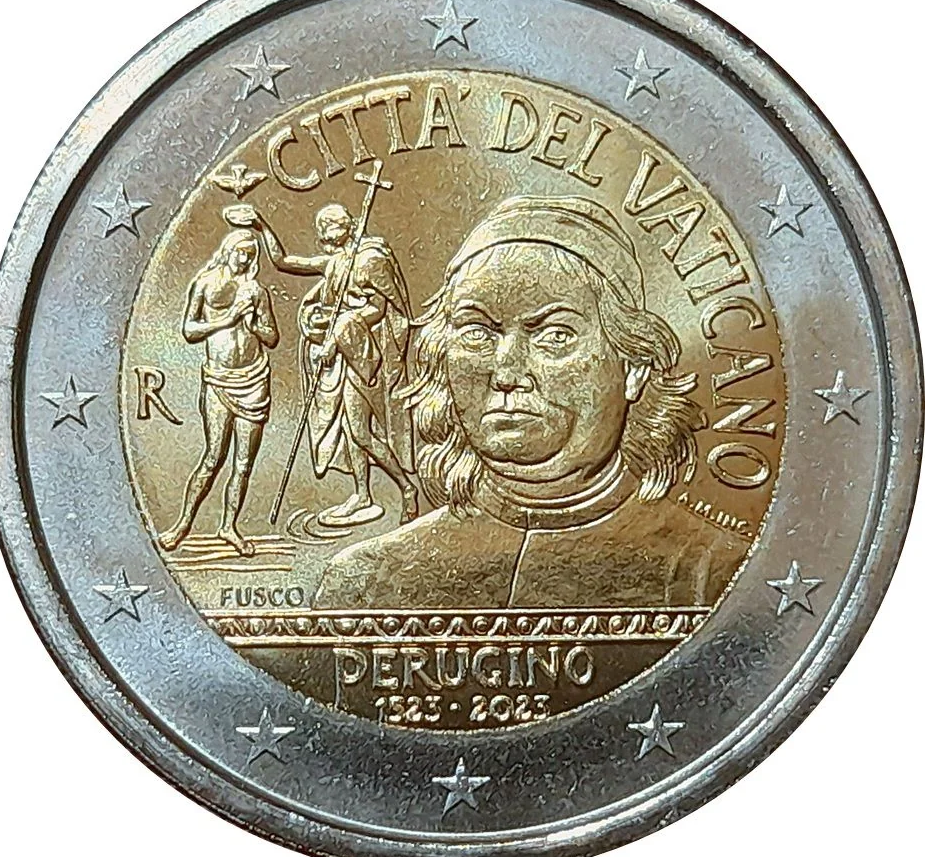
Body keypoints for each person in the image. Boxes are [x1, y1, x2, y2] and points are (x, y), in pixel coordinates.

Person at [315, 194, 748, 608]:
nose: (506, 374)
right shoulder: (364, 584)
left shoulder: (716, 576)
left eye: (555, 335)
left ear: (633, 366)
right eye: (477, 333)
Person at [242, 202, 418, 527]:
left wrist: (338, 332)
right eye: (322, 229)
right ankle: (362, 495)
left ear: (344, 227)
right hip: (342, 356)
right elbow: (284, 262)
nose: (323, 234)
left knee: (361, 432)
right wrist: (262, 226)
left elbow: (381, 309)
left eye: (327, 227)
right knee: (351, 430)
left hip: (365, 358)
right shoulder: (336, 263)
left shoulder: (370, 260)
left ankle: (406, 488)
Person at [159, 226, 278, 556]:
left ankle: (229, 526)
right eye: (240, 252)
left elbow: (272, 337)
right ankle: (183, 524)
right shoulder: (206, 283)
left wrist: (254, 325)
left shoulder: (256, 291)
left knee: (243, 464)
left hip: (254, 379)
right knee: (213, 457)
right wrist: (227, 319)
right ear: (228, 251)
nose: (244, 259)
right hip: (219, 379)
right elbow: (189, 329)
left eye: (250, 255)